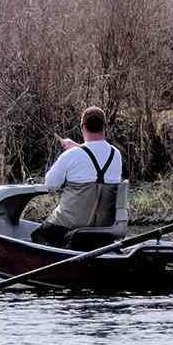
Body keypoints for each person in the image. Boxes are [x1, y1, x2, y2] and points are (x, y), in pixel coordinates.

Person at [31, 106, 123, 247]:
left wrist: (75, 149)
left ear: (82, 127)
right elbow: (95, 158)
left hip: (69, 227)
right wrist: (77, 148)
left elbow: (50, 184)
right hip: (103, 229)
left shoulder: (71, 155)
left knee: (37, 235)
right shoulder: (116, 155)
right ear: (105, 126)